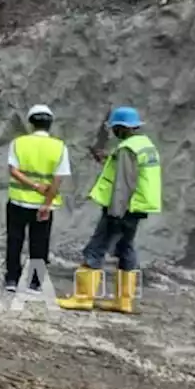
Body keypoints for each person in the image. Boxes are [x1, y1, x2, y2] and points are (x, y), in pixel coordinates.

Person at [57, 107, 161, 314]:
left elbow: (123, 183)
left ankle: (83, 298)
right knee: (125, 249)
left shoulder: (127, 149)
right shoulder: (145, 146)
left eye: (115, 128)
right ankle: (124, 301)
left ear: (122, 128)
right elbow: (134, 174)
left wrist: (115, 212)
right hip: (136, 208)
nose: (113, 132)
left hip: (121, 208)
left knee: (96, 248)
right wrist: (107, 159)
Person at [5, 104, 69, 292]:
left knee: (14, 240)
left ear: (31, 123)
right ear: (50, 124)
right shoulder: (59, 147)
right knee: (40, 243)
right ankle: (35, 282)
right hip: (43, 206)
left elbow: (13, 171)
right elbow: (58, 178)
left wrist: (33, 185)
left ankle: (11, 279)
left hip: (18, 201)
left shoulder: (18, 143)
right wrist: (47, 203)